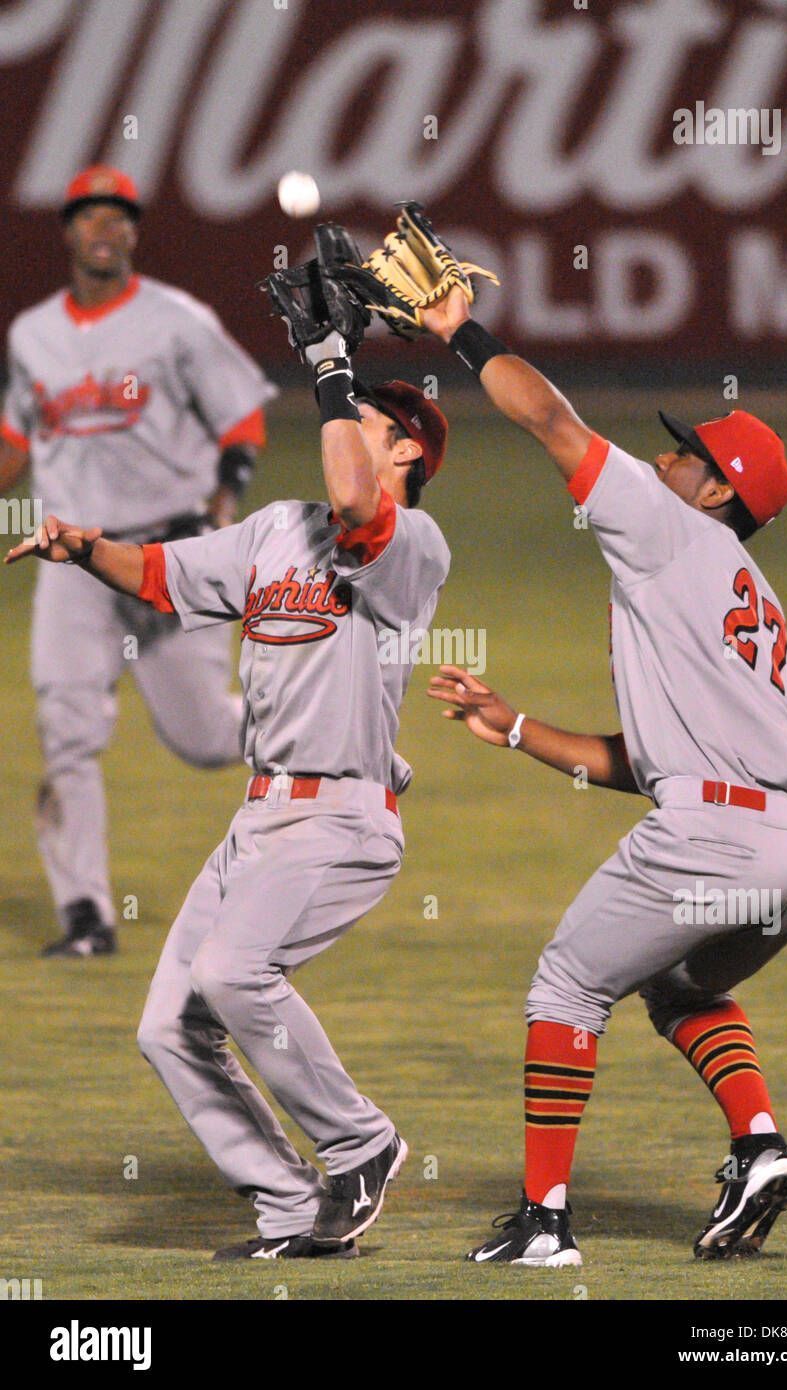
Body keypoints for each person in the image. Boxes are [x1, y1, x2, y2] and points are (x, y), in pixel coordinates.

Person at [421, 285, 787, 1266]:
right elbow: (658, 761)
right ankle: (757, 1145)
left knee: (567, 979)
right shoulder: (753, 595)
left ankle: (543, 1223)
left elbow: (546, 418)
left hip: (721, 834)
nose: (660, 456)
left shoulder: (667, 533)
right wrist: (519, 726)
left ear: (713, 492)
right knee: (672, 982)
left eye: (681, 453)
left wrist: (458, 332)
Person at [5, 314, 451, 1259]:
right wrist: (85, 546)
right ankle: (291, 1207)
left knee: (231, 974)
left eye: (361, 419)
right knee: (168, 1027)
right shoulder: (276, 529)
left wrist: (331, 365)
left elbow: (359, 506)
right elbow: (163, 574)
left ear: (405, 447)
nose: (337, 426)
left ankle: (360, 1142)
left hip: (341, 819)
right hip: (257, 821)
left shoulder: (411, 546)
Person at [0, 165, 274, 957]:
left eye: (119, 216)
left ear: (133, 232)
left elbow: (242, 413)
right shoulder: (32, 334)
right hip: (70, 556)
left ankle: (314, 717)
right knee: (67, 730)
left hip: (164, 550)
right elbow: (17, 443)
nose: (105, 228)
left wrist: (228, 491)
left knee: (202, 737)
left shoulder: (176, 321)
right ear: (68, 231)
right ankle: (87, 916)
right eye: (90, 214)